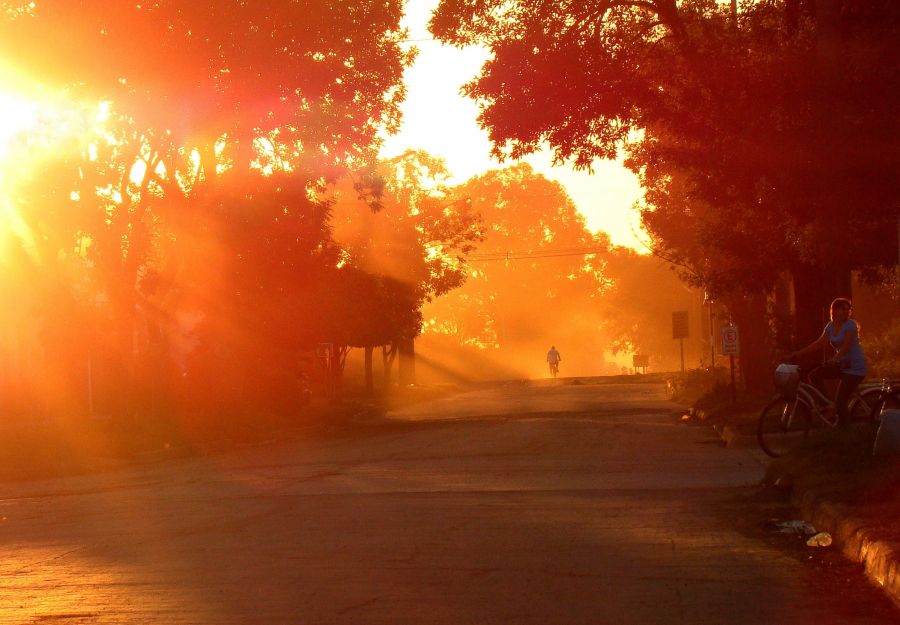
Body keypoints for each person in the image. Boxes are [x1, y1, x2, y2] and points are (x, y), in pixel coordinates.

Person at [791, 297, 867, 427]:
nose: (846, 312)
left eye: (848, 309)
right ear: (834, 310)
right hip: (842, 365)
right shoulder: (830, 326)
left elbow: (846, 347)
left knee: (841, 401)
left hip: (855, 367)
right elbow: (818, 343)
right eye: (843, 309)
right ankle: (827, 406)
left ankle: (845, 430)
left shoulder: (850, 325)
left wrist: (834, 359)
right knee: (814, 375)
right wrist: (799, 353)